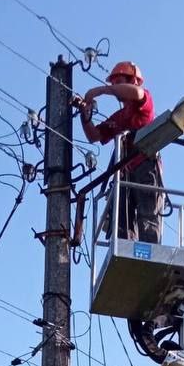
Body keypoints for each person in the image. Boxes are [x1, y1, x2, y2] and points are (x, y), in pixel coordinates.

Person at [75, 61, 164, 244]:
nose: (115, 86)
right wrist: (84, 113)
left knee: (147, 215)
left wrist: (101, 90)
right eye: (114, 82)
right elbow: (94, 136)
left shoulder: (143, 100)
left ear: (133, 80)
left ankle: (151, 251)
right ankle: (125, 248)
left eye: (119, 81)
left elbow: (137, 93)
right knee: (122, 217)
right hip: (125, 172)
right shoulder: (120, 117)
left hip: (146, 165)